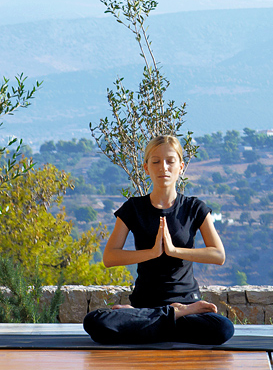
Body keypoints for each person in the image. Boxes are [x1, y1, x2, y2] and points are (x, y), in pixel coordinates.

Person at [83, 135, 235, 345]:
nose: (163, 167)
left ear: (181, 167)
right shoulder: (134, 208)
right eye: (155, 161)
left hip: (187, 304)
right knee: (95, 322)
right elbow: (109, 257)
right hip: (145, 305)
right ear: (146, 168)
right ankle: (172, 316)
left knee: (223, 328)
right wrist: (152, 253)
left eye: (170, 161)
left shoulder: (194, 208)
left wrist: (174, 250)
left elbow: (218, 255)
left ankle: (153, 323)